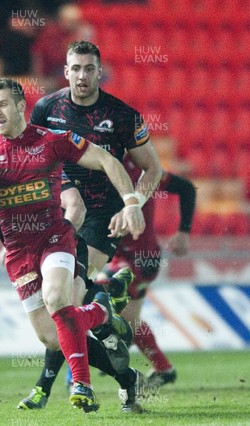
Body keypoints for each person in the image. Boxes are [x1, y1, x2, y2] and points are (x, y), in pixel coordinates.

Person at [0, 78, 145, 412]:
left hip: (55, 238)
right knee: (52, 337)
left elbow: (107, 159)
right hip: (19, 253)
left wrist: (131, 202)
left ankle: (82, 385)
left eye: (4, 104)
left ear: (21, 105)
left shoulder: (51, 141)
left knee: (56, 298)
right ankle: (105, 315)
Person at [19, 40, 163, 409]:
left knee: (65, 301)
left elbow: (154, 168)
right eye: (76, 68)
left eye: (89, 69)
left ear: (100, 72)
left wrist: (134, 206)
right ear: (65, 71)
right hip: (58, 214)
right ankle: (107, 317)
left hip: (102, 218)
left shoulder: (122, 115)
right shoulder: (47, 108)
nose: (82, 75)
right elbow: (31, 156)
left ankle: (51, 384)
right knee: (68, 303)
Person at [102, 158, 196, 390]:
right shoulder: (95, 164)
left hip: (141, 259)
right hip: (120, 256)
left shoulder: (144, 170)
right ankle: (163, 369)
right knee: (130, 322)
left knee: (102, 291)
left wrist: (183, 232)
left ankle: (113, 349)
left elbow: (186, 188)